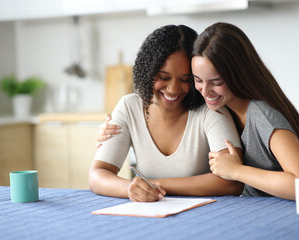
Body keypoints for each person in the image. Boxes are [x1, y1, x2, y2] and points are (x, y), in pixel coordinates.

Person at [90, 24, 243, 202]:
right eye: (163, 77)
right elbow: (97, 175)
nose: (173, 89)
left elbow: (233, 182)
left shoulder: (210, 111)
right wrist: (129, 189)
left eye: (185, 79)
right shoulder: (129, 107)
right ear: (148, 71)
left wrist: (156, 184)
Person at [191, 22, 299, 200]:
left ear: (239, 74)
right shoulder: (222, 111)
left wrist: (236, 171)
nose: (205, 91)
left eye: (216, 82)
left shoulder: (262, 116)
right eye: (198, 80)